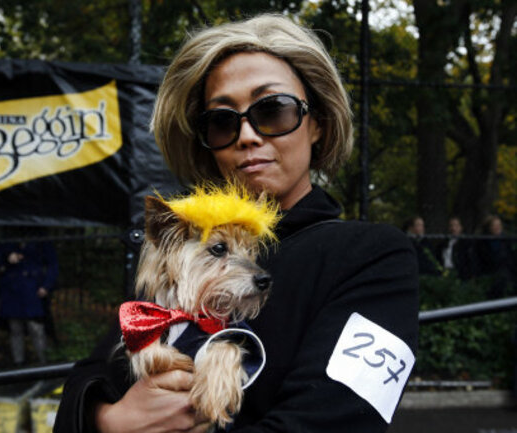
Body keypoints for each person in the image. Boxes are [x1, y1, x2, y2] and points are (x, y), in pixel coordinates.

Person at [55, 14, 419, 432]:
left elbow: (337, 419)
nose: (247, 135)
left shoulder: (370, 255)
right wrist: (110, 420)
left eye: (274, 110)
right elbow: (85, 382)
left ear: (317, 124)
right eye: (223, 121)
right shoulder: (184, 247)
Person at [0, 235, 58, 365]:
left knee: (36, 327)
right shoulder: (8, 238)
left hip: (33, 290)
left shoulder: (41, 240)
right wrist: (7, 258)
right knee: (15, 328)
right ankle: (19, 363)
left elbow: (52, 264)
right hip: (12, 290)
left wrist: (47, 285)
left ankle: (44, 362)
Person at [476, 215, 516, 299]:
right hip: (489, 275)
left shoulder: (507, 241)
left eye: (499, 225)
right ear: (489, 228)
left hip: (507, 275)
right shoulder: (482, 243)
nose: (498, 228)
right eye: (495, 226)